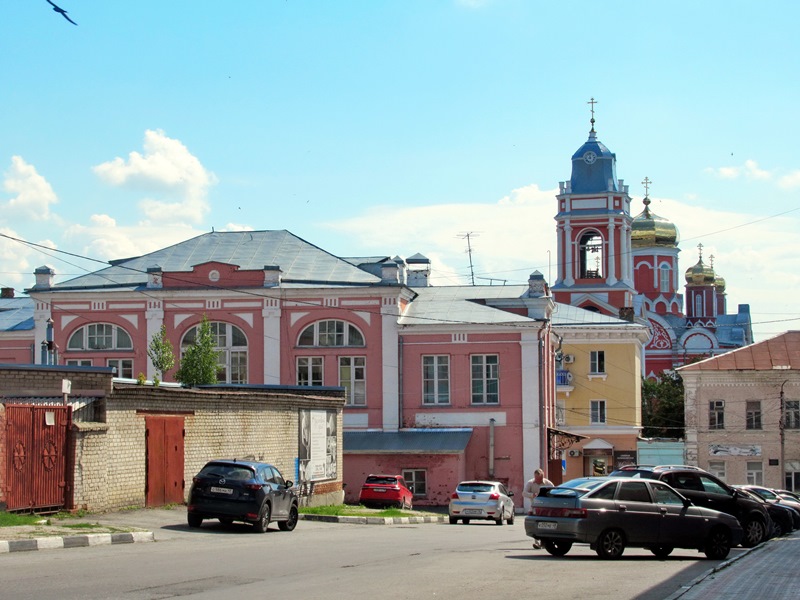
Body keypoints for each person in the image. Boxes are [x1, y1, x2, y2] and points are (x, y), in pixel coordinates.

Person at [523, 468, 554, 549]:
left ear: (543, 477)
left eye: (540, 479)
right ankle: (537, 542)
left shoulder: (548, 483)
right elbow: (524, 493)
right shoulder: (530, 483)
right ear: (534, 477)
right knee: (535, 523)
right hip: (534, 507)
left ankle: (544, 543)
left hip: (546, 507)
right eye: (537, 479)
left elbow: (554, 491)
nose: (538, 481)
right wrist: (532, 495)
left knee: (545, 524)